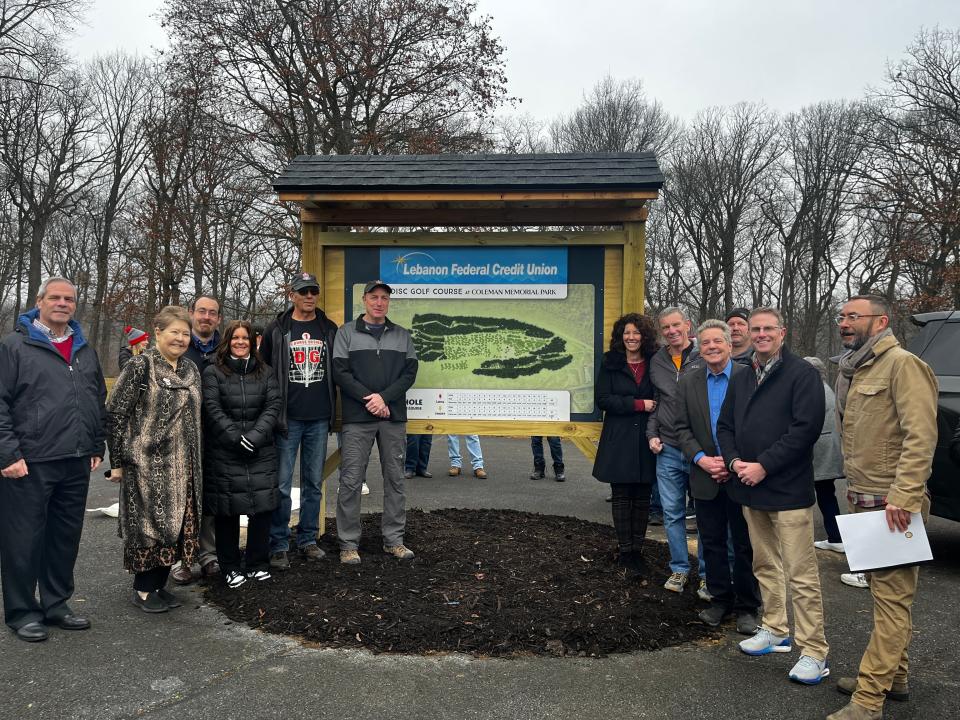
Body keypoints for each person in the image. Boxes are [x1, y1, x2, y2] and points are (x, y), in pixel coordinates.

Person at [827, 295, 938, 720]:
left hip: (892, 503)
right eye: (842, 316)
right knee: (883, 595)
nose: (845, 322)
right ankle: (895, 677)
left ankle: (869, 700)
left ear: (881, 322)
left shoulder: (903, 365)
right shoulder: (853, 367)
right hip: (863, 498)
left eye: (855, 316)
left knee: (892, 600)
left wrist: (905, 496)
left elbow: (921, 435)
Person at [717, 306, 829, 685]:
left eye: (768, 328)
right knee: (764, 565)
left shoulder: (802, 375)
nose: (761, 334)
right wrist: (734, 462)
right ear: (747, 334)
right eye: (755, 329)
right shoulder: (744, 376)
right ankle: (775, 628)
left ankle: (814, 650)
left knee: (801, 574)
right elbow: (726, 425)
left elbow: (805, 429)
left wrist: (763, 464)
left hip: (788, 492)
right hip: (749, 488)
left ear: (783, 333)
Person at [0, 277, 106, 642]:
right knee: (23, 539)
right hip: (30, 461)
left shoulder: (84, 348)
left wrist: (96, 444)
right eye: (55, 297)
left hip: (75, 460)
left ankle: (56, 604)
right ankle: (21, 611)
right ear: (40, 301)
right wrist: (8, 453)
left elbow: (96, 397)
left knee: (64, 538)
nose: (62, 303)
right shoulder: (15, 346)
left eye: (69, 299)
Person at [107, 306, 203, 614]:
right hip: (148, 465)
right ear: (158, 332)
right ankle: (144, 590)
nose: (180, 338)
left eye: (185, 333)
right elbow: (117, 414)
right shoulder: (140, 366)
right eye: (174, 331)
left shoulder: (190, 370)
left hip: (185, 465)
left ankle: (160, 585)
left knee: (175, 527)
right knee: (149, 526)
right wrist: (119, 461)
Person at [674, 319, 760, 635]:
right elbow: (680, 428)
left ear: (729, 344)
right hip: (704, 474)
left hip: (741, 475)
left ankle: (748, 607)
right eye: (706, 342)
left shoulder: (747, 377)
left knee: (744, 543)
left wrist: (733, 461)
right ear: (700, 345)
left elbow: (757, 425)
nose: (711, 347)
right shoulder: (689, 381)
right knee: (711, 543)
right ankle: (720, 600)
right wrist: (701, 459)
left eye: (717, 342)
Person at [332, 281, 418, 564]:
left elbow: (409, 374)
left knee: (395, 479)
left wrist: (384, 399)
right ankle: (347, 544)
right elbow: (340, 373)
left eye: (384, 298)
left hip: (392, 418)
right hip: (358, 418)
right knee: (351, 480)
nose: (379, 302)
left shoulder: (402, 336)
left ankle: (394, 540)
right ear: (364, 300)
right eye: (374, 297)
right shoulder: (346, 333)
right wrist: (370, 400)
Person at [260, 272, 339, 569]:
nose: (309, 296)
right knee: (280, 484)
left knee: (313, 484)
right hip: (286, 419)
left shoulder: (329, 329)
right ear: (291, 294)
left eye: (313, 291)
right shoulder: (277, 329)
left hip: (318, 418)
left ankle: (307, 540)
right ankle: (278, 544)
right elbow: (264, 372)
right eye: (303, 291)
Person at [202, 321, 282, 589]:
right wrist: (236, 438)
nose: (240, 342)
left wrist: (255, 437)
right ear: (227, 341)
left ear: (252, 341)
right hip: (226, 451)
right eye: (235, 337)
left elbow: (273, 406)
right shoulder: (213, 372)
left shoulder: (266, 372)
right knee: (227, 511)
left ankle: (258, 563)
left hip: (261, 449)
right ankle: (231, 566)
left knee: (262, 509)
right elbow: (212, 408)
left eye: (245, 338)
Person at [592, 313, 659, 577]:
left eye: (636, 333)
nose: (631, 338)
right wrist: (638, 404)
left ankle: (637, 552)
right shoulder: (611, 363)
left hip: (647, 437)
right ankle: (624, 551)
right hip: (618, 437)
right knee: (621, 495)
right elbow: (603, 399)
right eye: (626, 333)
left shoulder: (655, 362)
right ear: (621, 336)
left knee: (643, 495)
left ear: (645, 336)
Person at [647, 307, 703, 592]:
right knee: (672, 512)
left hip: (700, 451)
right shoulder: (657, 361)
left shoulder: (704, 355)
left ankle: (706, 572)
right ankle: (680, 569)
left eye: (675, 325)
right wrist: (651, 434)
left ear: (687, 325)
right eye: (665, 327)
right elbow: (657, 401)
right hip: (667, 449)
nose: (671, 331)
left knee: (705, 514)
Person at [170, 294, 223, 584]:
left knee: (210, 494)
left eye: (212, 313)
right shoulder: (179, 345)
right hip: (181, 433)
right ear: (191, 313)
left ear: (218, 318)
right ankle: (182, 558)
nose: (206, 317)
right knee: (183, 496)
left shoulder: (223, 349)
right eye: (201, 311)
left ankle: (208, 554)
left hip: (214, 433)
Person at [803, 356, 846, 554]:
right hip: (827, 452)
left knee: (823, 495)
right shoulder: (825, 388)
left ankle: (836, 536)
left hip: (820, 454)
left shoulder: (814, 391)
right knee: (826, 494)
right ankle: (835, 536)